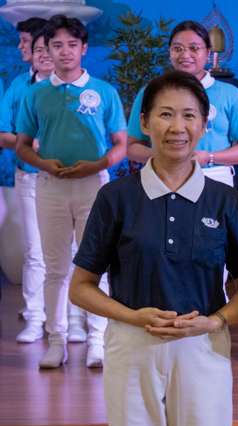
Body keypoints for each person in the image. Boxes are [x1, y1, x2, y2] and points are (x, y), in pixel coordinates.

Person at [69, 71, 238, 426]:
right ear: (144, 122)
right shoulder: (116, 197)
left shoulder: (225, 200)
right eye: (166, 114)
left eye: (189, 115)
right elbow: (80, 287)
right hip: (132, 345)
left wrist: (214, 322)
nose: (178, 127)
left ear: (204, 122)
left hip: (203, 351)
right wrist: (131, 316)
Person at [15, 15, 127, 368]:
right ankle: (56, 341)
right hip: (49, 186)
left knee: (98, 268)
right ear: (46, 49)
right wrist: (43, 163)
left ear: (84, 48)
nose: (65, 52)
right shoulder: (35, 93)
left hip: (95, 187)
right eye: (56, 45)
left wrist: (97, 166)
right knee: (55, 269)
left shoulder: (105, 91)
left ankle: (98, 341)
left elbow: (121, 145)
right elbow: (22, 146)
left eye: (72, 45)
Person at [127, 20, 238, 188]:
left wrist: (209, 157)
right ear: (169, 53)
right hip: (162, 173)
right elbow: (132, 147)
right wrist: (167, 155)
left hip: (213, 175)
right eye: (177, 48)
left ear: (208, 53)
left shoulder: (230, 94)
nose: (185, 55)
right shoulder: (151, 92)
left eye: (194, 48)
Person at [0, 20, 49, 343]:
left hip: (72, 178)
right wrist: (27, 143)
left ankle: (72, 317)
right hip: (29, 176)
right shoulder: (19, 85)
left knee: (73, 251)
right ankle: (35, 316)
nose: (23, 48)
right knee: (35, 252)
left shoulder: (79, 88)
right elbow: (3, 132)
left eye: (28, 42)